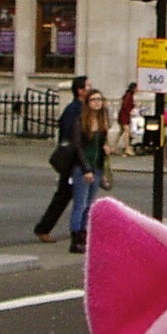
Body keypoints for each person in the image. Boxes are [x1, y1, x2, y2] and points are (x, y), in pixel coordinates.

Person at [34, 74, 89, 242]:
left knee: (66, 195)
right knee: (66, 196)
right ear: (80, 91)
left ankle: (45, 228)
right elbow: (69, 134)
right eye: (88, 87)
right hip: (72, 159)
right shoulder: (74, 109)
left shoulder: (80, 108)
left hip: (77, 159)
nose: (90, 89)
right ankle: (48, 228)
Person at [68, 88, 111, 253]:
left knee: (90, 205)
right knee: (80, 203)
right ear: (87, 103)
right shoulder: (80, 121)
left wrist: (105, 148)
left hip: (97, 167)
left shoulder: (102, 123)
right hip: (83, 168)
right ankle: (75, 238)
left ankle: (85, 235)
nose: (97, 102)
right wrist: (86, 169)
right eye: (93, 99)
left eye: (99, 99)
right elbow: (78, 147)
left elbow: (101, 145)